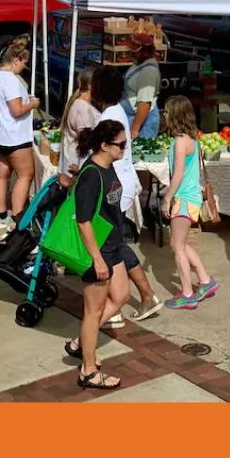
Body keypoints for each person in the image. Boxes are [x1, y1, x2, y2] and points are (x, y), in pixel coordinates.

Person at [90, 66, 162, 322]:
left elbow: (98, 156)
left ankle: (131, 300)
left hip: (114, 188)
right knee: (116, 244)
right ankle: (143, 296)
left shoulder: (107, 117)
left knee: (112, 247)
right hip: (122, 185)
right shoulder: (117, 111)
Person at [66, 119, 129, 390]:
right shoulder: (91, 174)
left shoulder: (108, 165)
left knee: (121, 296)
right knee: (93, 312)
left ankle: (81, 343)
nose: (125, 148)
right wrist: (97, 258)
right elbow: (83, 220)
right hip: (99, 250)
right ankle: (88, 370)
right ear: (104, 145)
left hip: (113, 245)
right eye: (121, 144)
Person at [159, 95, 217, 309]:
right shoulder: (193, 138)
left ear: (174, 115)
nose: (163, 115)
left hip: (183, 199)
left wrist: (167, 198)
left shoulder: (178, 142)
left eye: (166, 111)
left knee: (177, 247)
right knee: (181, 243)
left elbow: (178, 175)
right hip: (192, 198)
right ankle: (205, 280)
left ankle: (187, 292)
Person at [0, 39, 39, 230]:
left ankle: (0, 215)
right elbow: (16, 110)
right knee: (25, 175)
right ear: (16, 60)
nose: (24, 67)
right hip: (15, 137)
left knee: (1, 175)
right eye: (24, 62)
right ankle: (18, 217)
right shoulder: (11, 81)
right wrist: (32, 104)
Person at [58, 68, 99, 183]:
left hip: (76, 163)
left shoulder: (79, 104)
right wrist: (81, 170)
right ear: (91, 85)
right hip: (79, 167)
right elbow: (85, 143)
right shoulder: (83, 110)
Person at [123, 39, 162, 140]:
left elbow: (144, 104)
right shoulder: (139, 63)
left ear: (144, 52)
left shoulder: (149, 72)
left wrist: (135, 129)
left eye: (134, 51)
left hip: (144, 125)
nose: (130, 52)